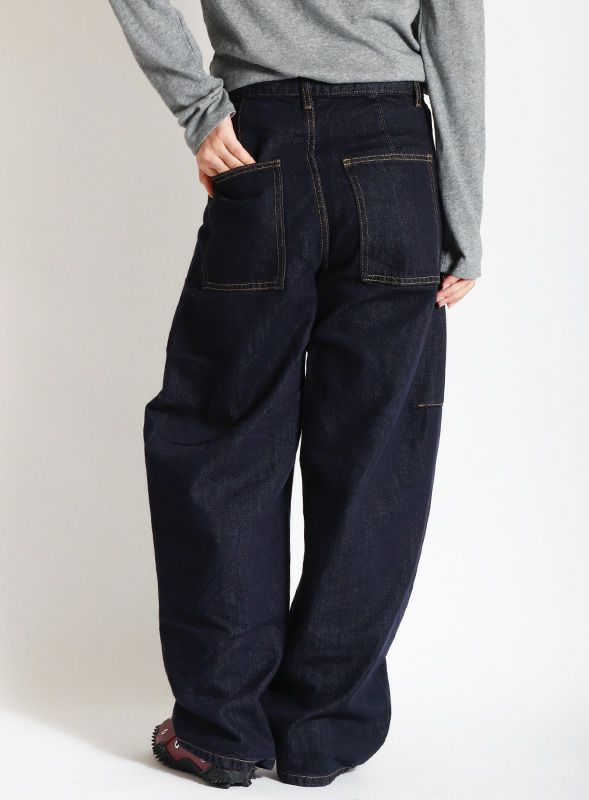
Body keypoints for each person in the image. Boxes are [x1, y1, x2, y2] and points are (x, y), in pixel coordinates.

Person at [108, 0, 485, 789]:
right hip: (394, 156)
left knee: (225, 437)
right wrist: (461, 212)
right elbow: (454, 23)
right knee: (376, 457)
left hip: (263, 140)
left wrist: (199, 107)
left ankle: (220, 729)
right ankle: (319, 732)